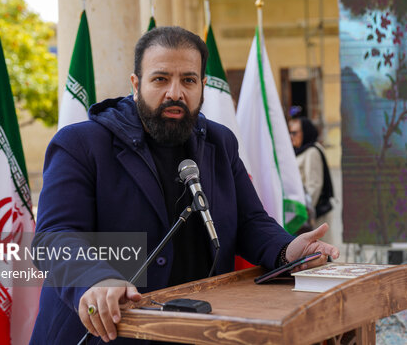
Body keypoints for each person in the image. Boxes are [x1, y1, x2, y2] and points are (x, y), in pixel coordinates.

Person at [29, 26, 339, 344]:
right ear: (136, 84)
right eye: (160, 79)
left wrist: (288, 249)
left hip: (196, 331)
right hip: (102, 334)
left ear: (202, 87)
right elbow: (54, 238)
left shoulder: (220, 142)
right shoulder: (80, 143)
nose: (175, 93)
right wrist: (92, 278)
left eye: (188, 80)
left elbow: (250, 221)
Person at [288, 117, 335, 228]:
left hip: (315, 215)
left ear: (305, 132)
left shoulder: (312, 152)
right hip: (306, 211)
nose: (291, 136)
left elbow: (314, 185)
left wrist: (305, 212)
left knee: (319, 244)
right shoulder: (300, 150)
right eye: (290, 133)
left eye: (294, 133)